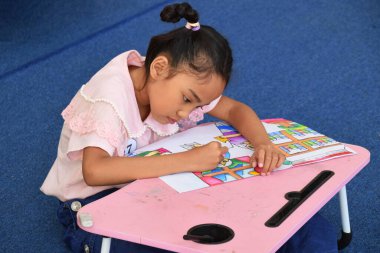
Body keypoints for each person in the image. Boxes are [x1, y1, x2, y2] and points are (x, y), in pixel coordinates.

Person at [41, 2, 337, 253]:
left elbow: (235, 110)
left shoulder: (176, 82)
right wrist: (187, 161)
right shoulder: (109, 99)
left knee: (281, 219)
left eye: (197, 106)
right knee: (187, 239)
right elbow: (95, 172)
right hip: (94, 206)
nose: (188, 112)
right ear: (158, 68)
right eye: (188, 100)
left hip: (155, 185)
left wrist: (262, 143)